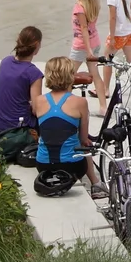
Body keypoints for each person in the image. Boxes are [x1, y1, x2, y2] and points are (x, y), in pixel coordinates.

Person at [31, 55, 91, 194]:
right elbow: (83, 139)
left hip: (43, 165)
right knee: (85, 144)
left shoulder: (39, 101)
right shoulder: (80, 102)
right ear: (70, 76)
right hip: (73, 167)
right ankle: (96, 184)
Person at [0, 25, 45, 163]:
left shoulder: (5, 61)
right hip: (16, 132)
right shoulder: (33, 73)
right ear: (36, 47)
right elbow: (37, 109)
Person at [70, 0, 105, 94]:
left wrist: (88, 50)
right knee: (96, 76)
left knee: (68, 76)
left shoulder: (79, 7)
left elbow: (84, 29)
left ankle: (63, 103)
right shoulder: (94, 3)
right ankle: (103, 107)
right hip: (95, 42)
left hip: (81, 45)